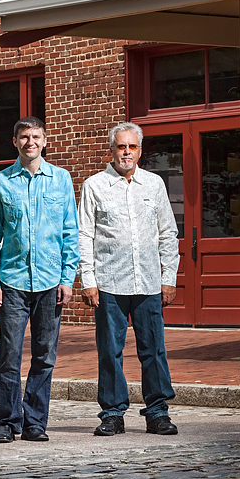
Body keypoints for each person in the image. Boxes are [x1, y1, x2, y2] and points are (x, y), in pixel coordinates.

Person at [78, 121, 180, 436]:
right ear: (112, 150)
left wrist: (169, 276)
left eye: (131, 147)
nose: (126, 152)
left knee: (154, 349)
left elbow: (168, 232)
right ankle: (112, 413)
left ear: (139, 150)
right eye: (121, 146)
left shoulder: (154, 185)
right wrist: (88, 279)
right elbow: (84, 235)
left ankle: (158, 412)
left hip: (149, 281)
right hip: (109, 283)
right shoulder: (94, 186)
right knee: (110, 350)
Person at [0, 116, 79, 443]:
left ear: (45, 140)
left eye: (35, 136)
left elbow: (70, 233)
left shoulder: (61, 180)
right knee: (8, 356)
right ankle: (7, 422)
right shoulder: (1, 181)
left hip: (51, 282)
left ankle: (35, 421)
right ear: (15, 141)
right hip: (12, 283)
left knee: (45, 356)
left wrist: (68, 278)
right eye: (24, 137)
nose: (30, 142)